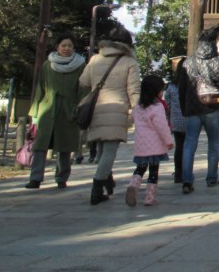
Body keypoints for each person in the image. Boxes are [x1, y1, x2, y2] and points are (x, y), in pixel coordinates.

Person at [79, 21, 141, 205]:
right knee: (110, 150)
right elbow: (134, 89)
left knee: (101, 147)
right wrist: (136, 109)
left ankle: (107, 179)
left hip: (97, 107)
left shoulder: (95, 59)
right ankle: (97, 187)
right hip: (117, 108)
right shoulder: (130, 62)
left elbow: (83, 81)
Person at [24, 34, 86, 190]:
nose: (66, 48)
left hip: (68, 109)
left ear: (73, 48)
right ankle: (35, 178)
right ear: (57, 47)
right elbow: (40, 87)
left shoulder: (80, 65)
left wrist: (79, 107)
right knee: (40, 145)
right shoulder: (47, 65)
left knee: (65, 146)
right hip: (47, 109)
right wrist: (35, 111)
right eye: (63, 45)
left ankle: (62, 177)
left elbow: (83, 89)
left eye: (69, 45)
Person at [178, 28, 219, 194]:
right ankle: (211, 177)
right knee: (214, 144)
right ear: (214, 43)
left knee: (189, 144)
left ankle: (186, 180)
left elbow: (181, 88)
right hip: (212, 107)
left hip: (192, 108)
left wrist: (184, 107)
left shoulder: (188, 62)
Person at [126, 75, 174, 206]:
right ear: (156, 91)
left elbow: (133, 117)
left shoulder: (138, 107)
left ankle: (133, 185)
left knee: (140, 168)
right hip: (155, 146)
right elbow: (162, 126)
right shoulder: (157, 107)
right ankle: (149, 197)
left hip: (141, 145)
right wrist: (169, 141)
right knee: (153, 171)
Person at [164, 57, 186, 183]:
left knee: (179, 147)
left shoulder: (171, 87)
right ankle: (187, 171)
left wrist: (168, 119)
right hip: (190, 119)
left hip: (176, 121)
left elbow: (167, 105)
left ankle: (178, 172)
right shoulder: (192, 85)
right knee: (189, 147)